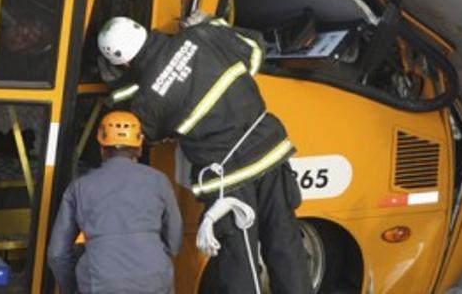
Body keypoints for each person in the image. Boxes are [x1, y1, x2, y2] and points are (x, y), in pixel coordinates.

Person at [97, 15, 313, 294]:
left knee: (240, 265)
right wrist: (214, 23)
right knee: (286, 247)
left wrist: (116, 87)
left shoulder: (149, 99)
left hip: (229, 180)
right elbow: (256, 50)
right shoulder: (202, 35)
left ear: (123, 62)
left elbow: (144, 135)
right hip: (269, 152)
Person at [46, 111, 182, 294]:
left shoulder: (79, 187)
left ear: (102, 148)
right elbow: (174, 241)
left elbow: (57, 254)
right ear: (139, 147)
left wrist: (73, 288)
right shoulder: (159, 181)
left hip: (100, 282)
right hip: (155, 280)